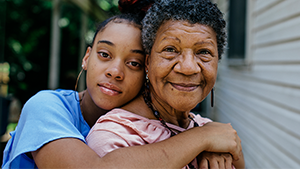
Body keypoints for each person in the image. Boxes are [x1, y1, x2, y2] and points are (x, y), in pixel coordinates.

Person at [2, 0, 242, 168]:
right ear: (87, 57)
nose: (115, 72)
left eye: (134, 63)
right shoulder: (46, 107)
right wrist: (203, 138)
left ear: (147, 68)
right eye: (105, 55)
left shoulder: (170, 124)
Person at [86, 0, 245, 169]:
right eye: (170, 49)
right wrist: (202, 139)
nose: (188, 68)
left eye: (204, 52)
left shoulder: (214, 131)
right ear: (147, 62)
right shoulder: (115, 136)